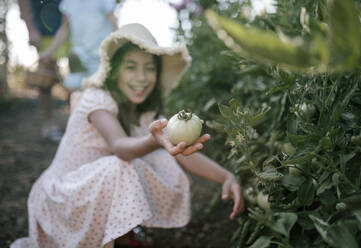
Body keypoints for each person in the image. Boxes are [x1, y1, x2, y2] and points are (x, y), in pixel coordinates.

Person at [10, 23, 244, 248]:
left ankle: (120, 232)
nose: (141, 77)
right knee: (121, 165)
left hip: (90, 196)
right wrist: (154, 141)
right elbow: (121, 146)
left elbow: (180, 151)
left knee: (161, 158)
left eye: (149, 68)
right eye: (131, 67)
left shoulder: (144, 113)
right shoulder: (96, 99)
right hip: (62, 199)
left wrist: (225, 176)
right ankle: (112, 235)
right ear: (113, 72)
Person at [39, 0, 118, 96]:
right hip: (78, 54)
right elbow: (65, 27)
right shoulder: (68, 2)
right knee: (73, 90)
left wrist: (120, 45)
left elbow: (112, 21)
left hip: (100, 54)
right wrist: (49, 52)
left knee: (99, 92)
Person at [18, 0, 68, 141]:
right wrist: (31, 29)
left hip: (71, 27)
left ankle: (75, 122)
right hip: (45, 30)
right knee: (45, 77)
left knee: (76, 73)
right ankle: (49, 124)